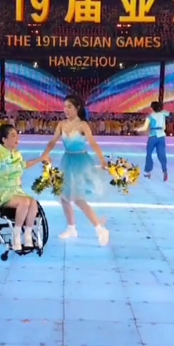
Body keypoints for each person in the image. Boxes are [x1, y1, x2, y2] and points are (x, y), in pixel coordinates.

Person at [40, 95, 111, 245]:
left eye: (69, 107)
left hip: (81, 163)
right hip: (67, 161)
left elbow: (93, 143)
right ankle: (71, 228)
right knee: (64, 197)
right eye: (64, 106)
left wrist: (102, 160)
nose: (66, 110)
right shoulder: (61, 124)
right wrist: (45, 154)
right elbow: (52, 142)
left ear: (77, 108)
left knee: (78, 198)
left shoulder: (83, 125)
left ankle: (100, 229)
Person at [0, 123, 49, 252]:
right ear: (4, 140)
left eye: (17, 135)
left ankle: (27, 235)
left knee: (33, 203)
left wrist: (40, 159)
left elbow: (24, 165)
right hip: (2, 193)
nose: (17, 139)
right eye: (13, 136)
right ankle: (16, 236)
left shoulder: (17, 154)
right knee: (25, 202)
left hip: (16, 191)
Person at [135, 100, 169, 181]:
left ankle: (147, 171)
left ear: (152, 108)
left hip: (153, 136)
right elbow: (164, 126)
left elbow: (144, 128)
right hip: (161, 136)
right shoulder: (163, 114)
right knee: (162, 154)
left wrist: (137, 129)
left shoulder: (150, 116)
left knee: (149, 154)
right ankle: (164, 170)